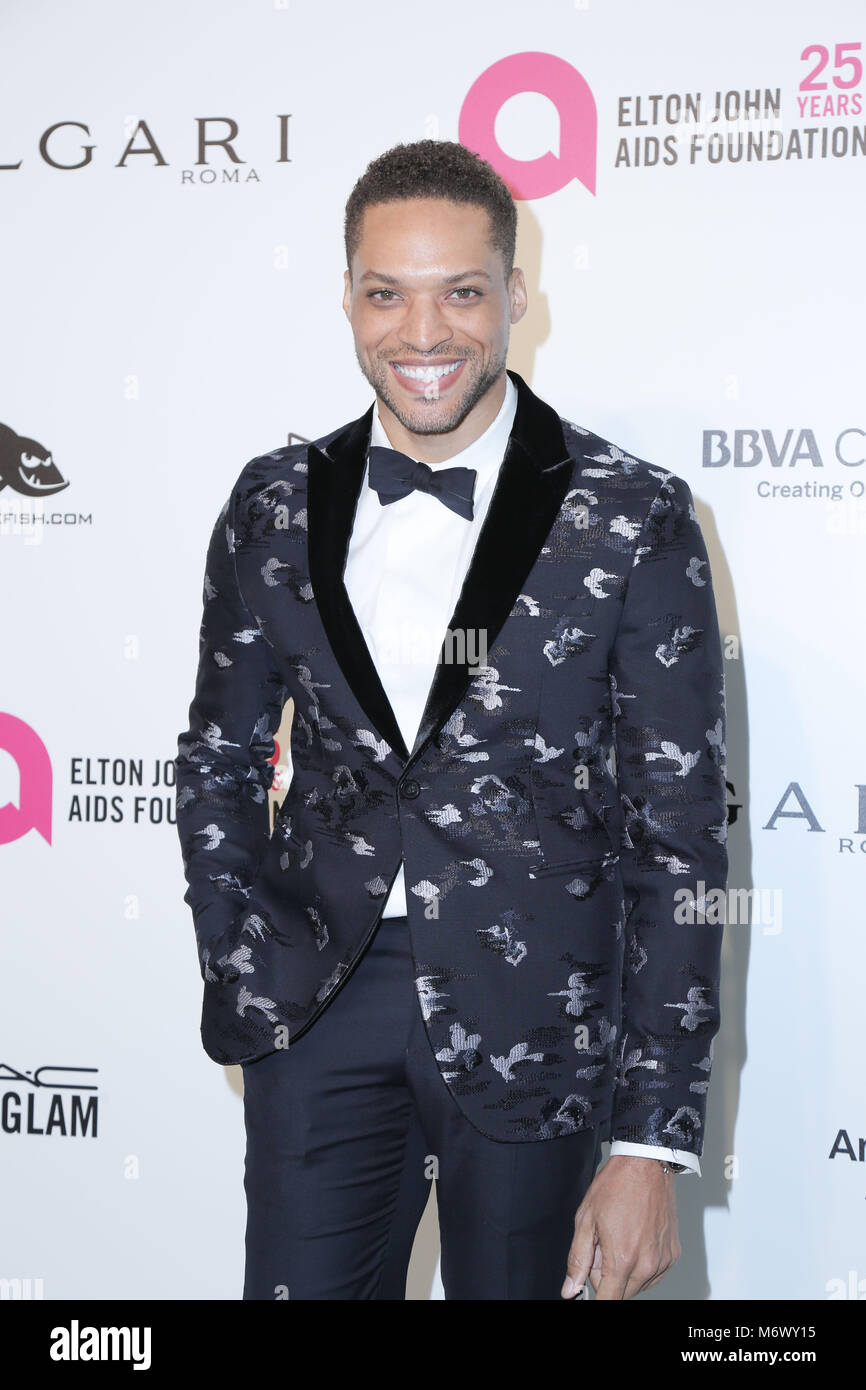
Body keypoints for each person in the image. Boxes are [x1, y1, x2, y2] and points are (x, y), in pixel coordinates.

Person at [175, 139, 728, 1301]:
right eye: (387, 293)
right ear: (347, 299)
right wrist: (243, 958)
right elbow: (218, 755)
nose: (421, 334)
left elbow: (679, 831)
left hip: (542, 1018)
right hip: (319, 1006)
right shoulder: (272, 501)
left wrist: (649, 1138)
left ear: (515, 297)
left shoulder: (627, 514)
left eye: (459, 292)